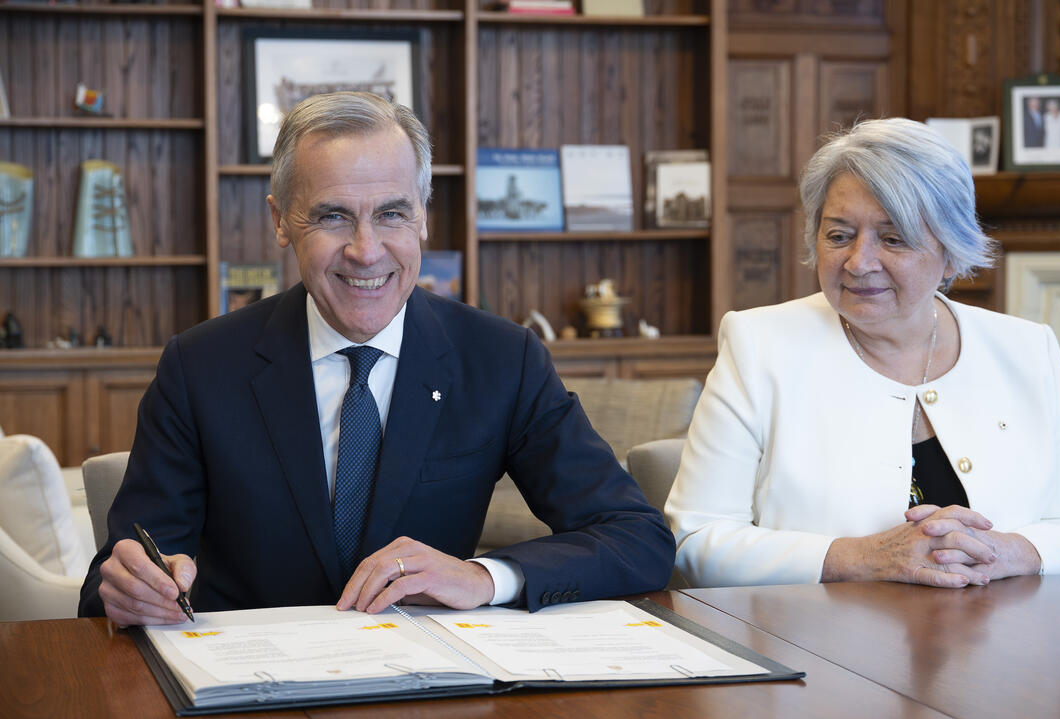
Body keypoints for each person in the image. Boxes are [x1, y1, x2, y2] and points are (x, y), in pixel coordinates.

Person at [79, 92, 674, 625]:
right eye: (333, 216)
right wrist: (133, 589)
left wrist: (484, 577)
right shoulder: (199, 367)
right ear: (281, 221)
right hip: (249, 699)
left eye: (391, 213)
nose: (367, 251)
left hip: (433, 700)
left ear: (423, 215)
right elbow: (112, 583)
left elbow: (636, 538)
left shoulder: (501, 359)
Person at [667, 117, 1060, 589]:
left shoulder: (1026, 349)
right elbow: (696, 541)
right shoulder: (758, 346)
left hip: (1001, 646)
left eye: (894, 238)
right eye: (839, 235)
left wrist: (1006, 552)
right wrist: (860, 558)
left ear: (950, 250)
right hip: (816, 647)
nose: (859, 262)